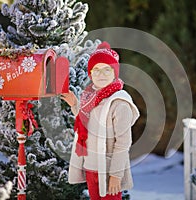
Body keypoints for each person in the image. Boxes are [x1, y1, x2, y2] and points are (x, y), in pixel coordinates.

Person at [61, 42, 140, 200]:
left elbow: (123, 142)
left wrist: (116, 175)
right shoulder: (91, 98)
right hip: (91, 167)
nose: (101, 74)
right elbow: (88, 123)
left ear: (114, 73)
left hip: (109, 169)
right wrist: (76, 104)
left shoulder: (119, 103)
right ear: (90, 73)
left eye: (106, 69)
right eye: (96, 70)